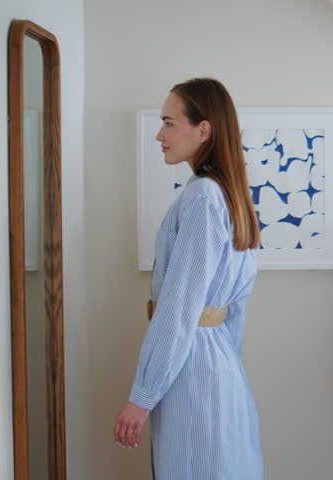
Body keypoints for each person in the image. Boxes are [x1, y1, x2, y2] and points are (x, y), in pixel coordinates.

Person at [112, 78, 263, 479]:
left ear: (203, 129)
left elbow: (179, 308)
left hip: (192, 369)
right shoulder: (230, 195)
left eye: (168, 122)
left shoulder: (201, 198)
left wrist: (142, 396)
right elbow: (234, 310)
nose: (159, 135)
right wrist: (224, 360)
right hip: (221, 366)